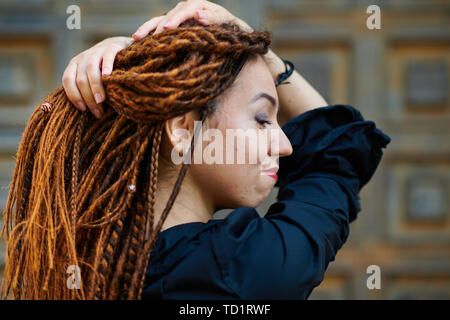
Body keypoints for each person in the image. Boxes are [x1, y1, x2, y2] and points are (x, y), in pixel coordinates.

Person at [0, 0, 390, 300]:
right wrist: (256, 44)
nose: (286, 144)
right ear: (184, 131)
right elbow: (337, 150)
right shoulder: (243, 269)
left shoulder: (81, 262)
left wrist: (129, 57)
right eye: (261, 118)